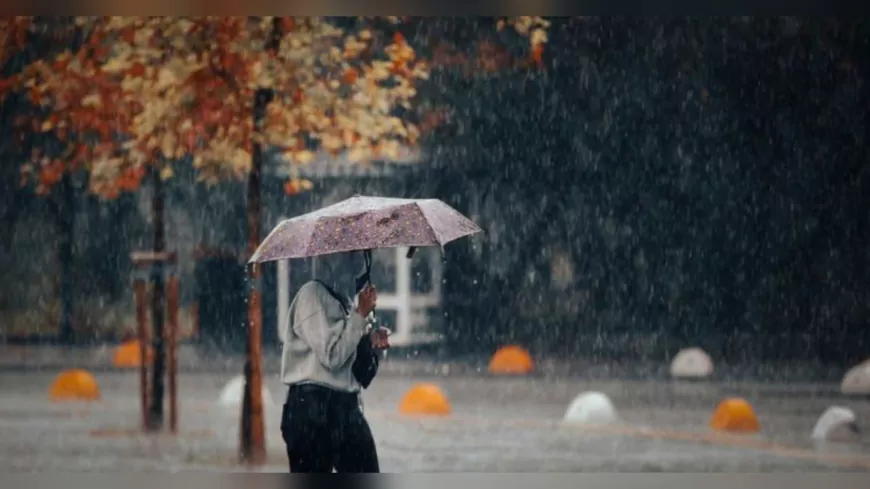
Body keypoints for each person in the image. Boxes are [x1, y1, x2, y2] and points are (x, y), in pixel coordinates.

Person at [279, 262, 390, 473]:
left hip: (346, 408)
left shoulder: (347, 303)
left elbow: (362, 376)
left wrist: (373, 346)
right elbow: (332, 357)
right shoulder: (311, 297)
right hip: (311, 409)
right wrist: (359, 316)